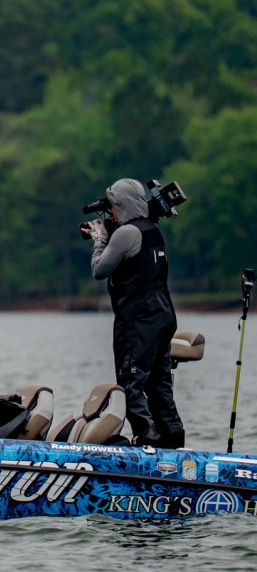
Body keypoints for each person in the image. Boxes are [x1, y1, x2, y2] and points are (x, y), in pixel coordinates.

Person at [86, 178, 184, 448]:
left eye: (113, 207)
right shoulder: (153, 231)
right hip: (163, 314)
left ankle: (147, 439)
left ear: (122, 204)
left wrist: (99, 239)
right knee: (159, 384)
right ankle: (173, 439)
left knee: (131, 381)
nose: (112, 213)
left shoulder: (126, 233)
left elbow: (99, 270)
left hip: (138, 318)